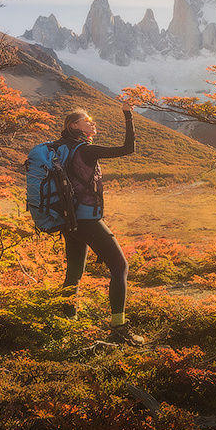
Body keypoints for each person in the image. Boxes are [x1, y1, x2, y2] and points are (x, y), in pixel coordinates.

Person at [57, 104, 145, 345]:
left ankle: (66, 325)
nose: (92, 123)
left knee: (74, 274)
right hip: (87, 220)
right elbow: (128, 149)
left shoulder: (60, 148)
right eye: (87, 120)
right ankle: (119, 327)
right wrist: (128, 115)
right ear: (73, 125)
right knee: (120, 268)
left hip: (69, 221)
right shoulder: (85, 150)